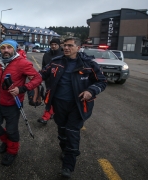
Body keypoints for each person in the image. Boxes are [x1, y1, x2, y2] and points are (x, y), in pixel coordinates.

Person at [40, 37, 107, 178]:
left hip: (78, 105)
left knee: (72, 133)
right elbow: (41, 74)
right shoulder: (55, 62)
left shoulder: (88, 64)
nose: (66, 48)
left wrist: (90, 91)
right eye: (65, 45)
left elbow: (102, 81)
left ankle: (68, 167)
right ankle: (65, 149)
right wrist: (28, 83)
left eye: (70, 45)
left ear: (78, 47)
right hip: (59, 104)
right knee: (62, 131)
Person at [0, 39, 42, 166]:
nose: (6, 50)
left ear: (15, 49)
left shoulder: (22, 63)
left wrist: (22, 89)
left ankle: (12, 151)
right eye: (3, 47)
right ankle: (7, 142)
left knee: (12, 130)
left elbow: (38, 78)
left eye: (9, 47)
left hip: (13, 103)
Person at [37, 38, 64, 124]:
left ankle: (54, 113)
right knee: (49, 97)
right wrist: (41, 78)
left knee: (58, 99)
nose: (53, 46)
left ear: (59, 45)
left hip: (61, 81)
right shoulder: (46, 54)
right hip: (49, 81)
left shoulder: (64, 54)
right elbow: (44, 67)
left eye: (55, 44)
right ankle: (46, 116)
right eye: (52, 44)